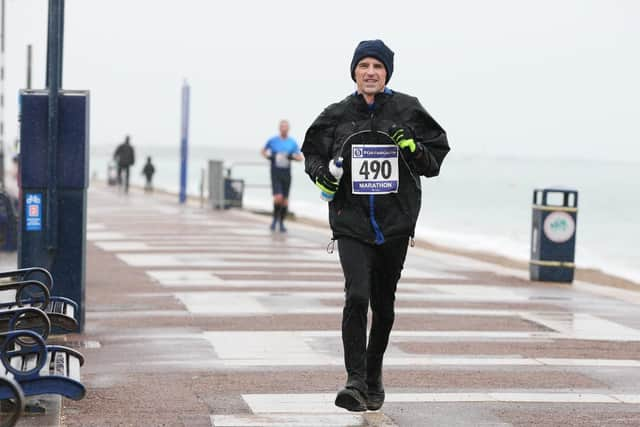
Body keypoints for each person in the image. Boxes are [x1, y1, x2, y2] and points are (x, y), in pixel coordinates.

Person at [302, 40, 450, 412]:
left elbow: (433, 161)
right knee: (357, 295)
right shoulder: (336, 114)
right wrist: (324, 176)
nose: (370, 72)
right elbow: (312, 153)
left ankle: (373, 373)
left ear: (387, 73)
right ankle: (354, 382)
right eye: (364, 65)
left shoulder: (408, 109)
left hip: (395, 223)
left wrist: (412, 147)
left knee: (383, 306)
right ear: (354, 71)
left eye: (377, 66)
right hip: (350, 223)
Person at [261, 120, 303, 232]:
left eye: (286, 127)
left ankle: (282, 222)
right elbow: (263, 151)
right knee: (278, 197)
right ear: (279, 128)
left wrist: (292, 157)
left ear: (288, 129)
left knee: (285, 200)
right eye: (282, 127)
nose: (284, 129)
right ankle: (274, 220)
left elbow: (300, 158)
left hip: (286, 172)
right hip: (275, 171)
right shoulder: (273, 141)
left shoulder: (292, 142)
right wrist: (269, 157)